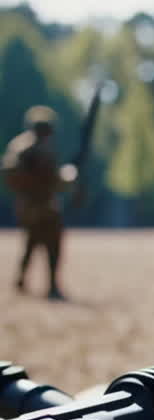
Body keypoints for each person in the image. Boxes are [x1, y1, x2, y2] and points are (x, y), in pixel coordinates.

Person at [3, 105, 76, 300]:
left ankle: (24, 281)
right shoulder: (29, 148)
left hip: (32, 205)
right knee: (50, 244)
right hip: (37, 205)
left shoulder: (24, 146)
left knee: (32, 242)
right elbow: (16, 174)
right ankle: (49, 285)